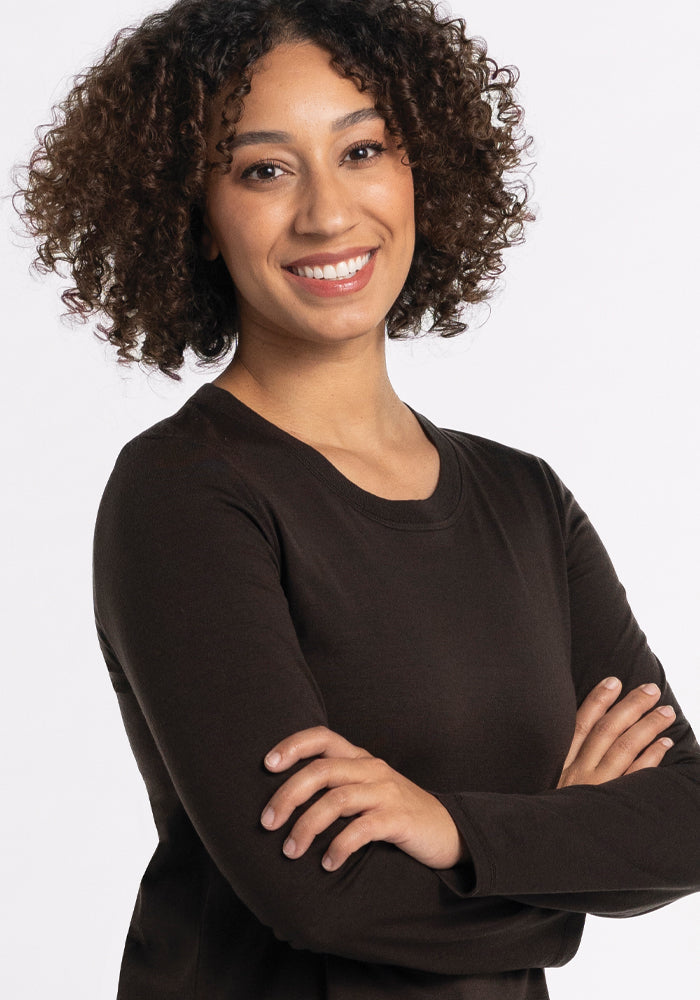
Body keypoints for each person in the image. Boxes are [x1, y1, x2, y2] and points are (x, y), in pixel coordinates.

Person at [11, 1, 700, 998]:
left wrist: (449, 827)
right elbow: (321, 897)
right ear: (192, 214)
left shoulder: (523, 498)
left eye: (364, 148)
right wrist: (561, 858)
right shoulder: (185, 494)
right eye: (263, 168)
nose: (327, 214)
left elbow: (683, 818)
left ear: (421, 169)